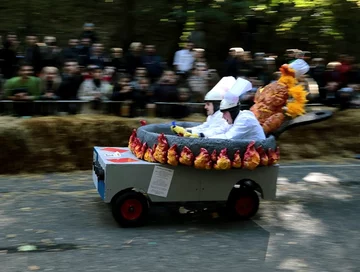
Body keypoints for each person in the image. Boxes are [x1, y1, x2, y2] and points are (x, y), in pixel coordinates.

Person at [171, 76, 236, 137]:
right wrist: (185, 130)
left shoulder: (223, 116)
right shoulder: (212, 116)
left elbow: (217, 131)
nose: (205, 107)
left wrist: (200, 135)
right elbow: (203, 127)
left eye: (208, 104)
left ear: (217, 105)